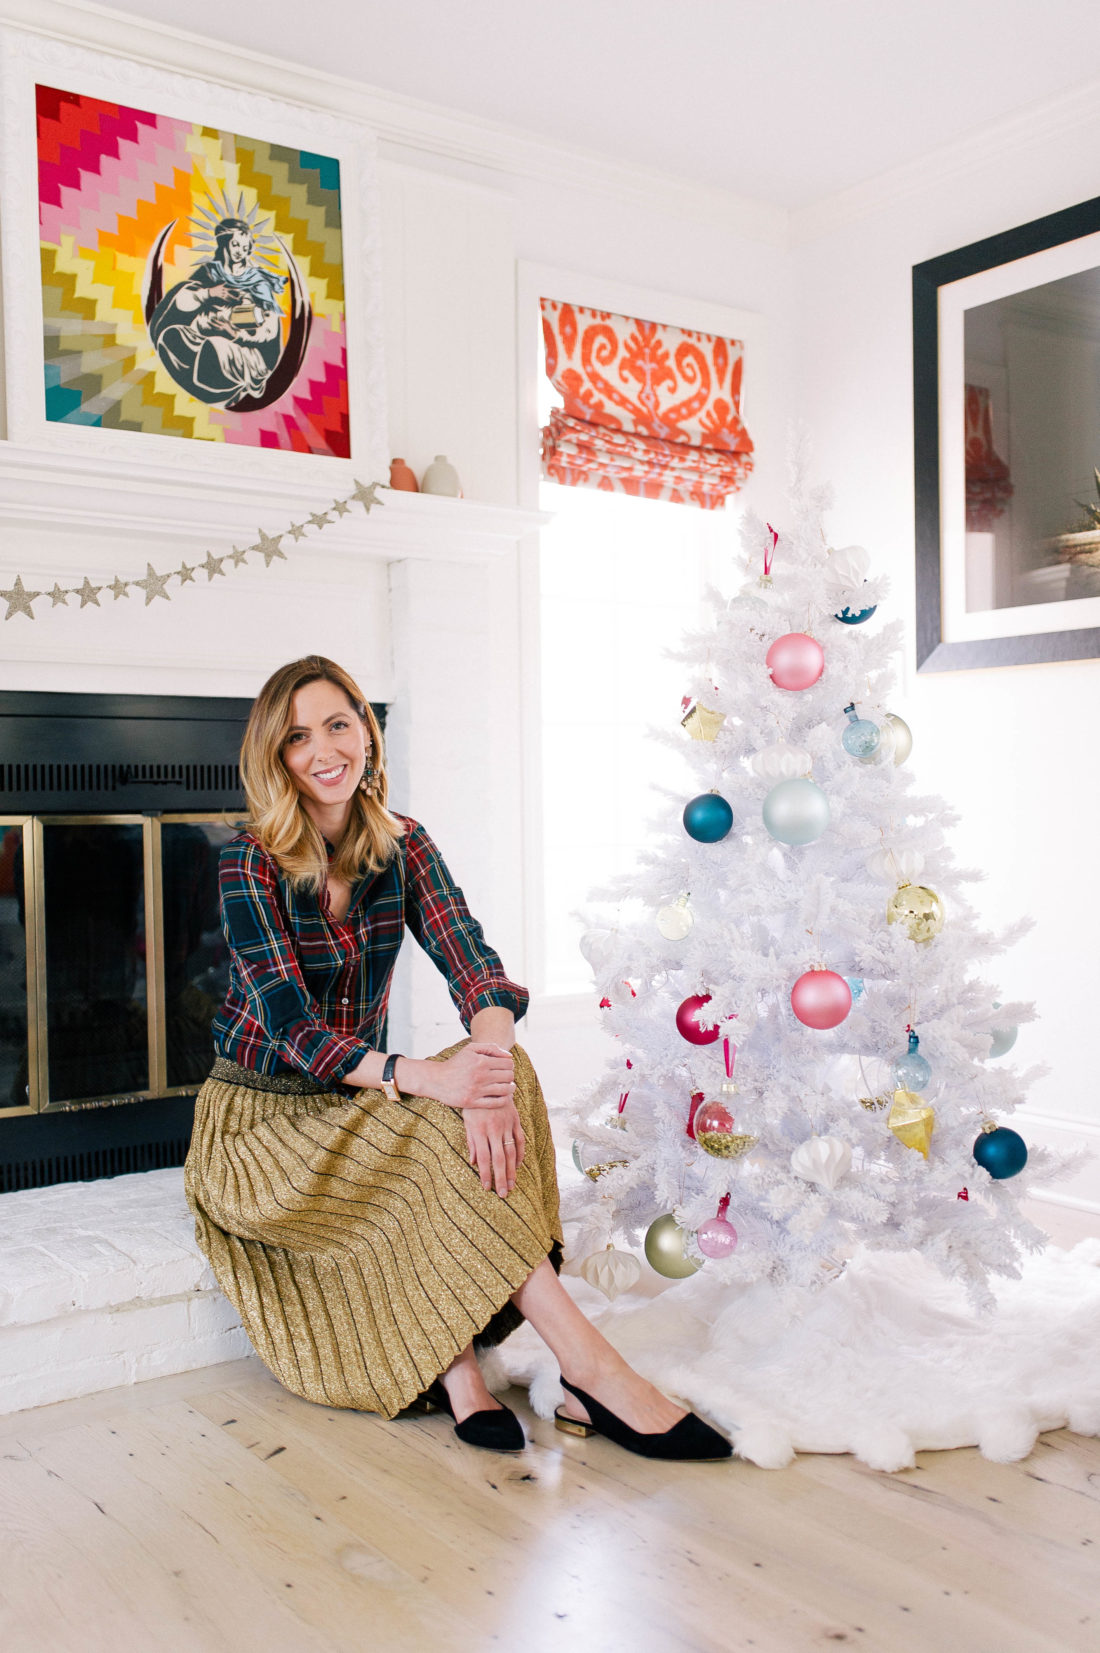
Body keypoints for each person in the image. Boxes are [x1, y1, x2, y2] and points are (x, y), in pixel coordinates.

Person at [184, 656, 731, 1461]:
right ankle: (584, 1367)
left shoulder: (406, 844)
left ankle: (489, 1370)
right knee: (431, 1131)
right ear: (277, 755)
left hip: (352, 1102)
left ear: (366, 735)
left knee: (499, 1075)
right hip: (261, 1127)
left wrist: (489, 1075)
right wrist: (430, 1078)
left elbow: (473, 963)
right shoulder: (250, 860)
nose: (323, 749)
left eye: (339, 724)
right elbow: (294, 1032)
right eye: (298, 736)